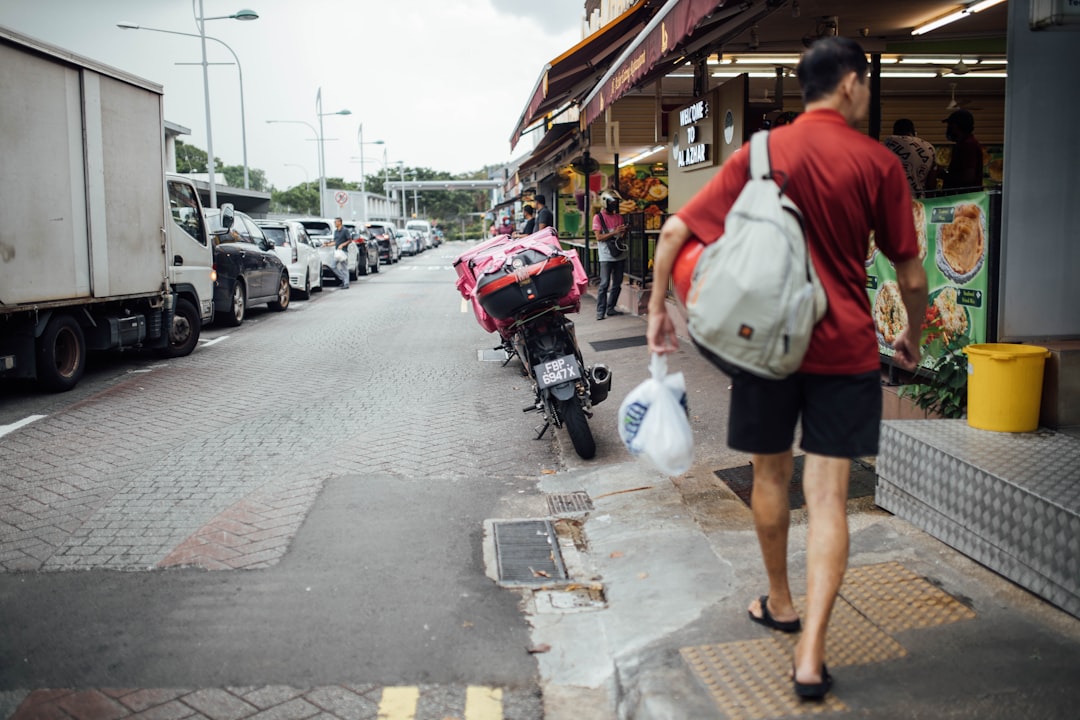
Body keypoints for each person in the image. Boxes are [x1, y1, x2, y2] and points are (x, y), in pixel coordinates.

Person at [646, 36, 927, 700]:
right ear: (852, 85)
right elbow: (911, 275)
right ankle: (810, 656)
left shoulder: (763, 152)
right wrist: (909, 335)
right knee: (828, 497)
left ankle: (779, 600)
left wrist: (659, 309)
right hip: (847, 349)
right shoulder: (878, 162)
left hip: (765, 342)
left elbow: (673, 233)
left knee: (770, 479)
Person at [593, 191, 629, 320]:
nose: (614, 204)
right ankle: (600, 311)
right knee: (604, 283)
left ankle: (611, 308)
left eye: (615, 202)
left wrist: (624, 231)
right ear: (605, 203)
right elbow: (599, 237)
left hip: (620, 254)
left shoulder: (619, 217)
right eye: (611, 202)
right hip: (606, 256)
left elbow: (621, 236)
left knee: (617, 283)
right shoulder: (598, 217)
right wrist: (614, 232)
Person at [883, 118, 939, 195]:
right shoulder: (929, 147)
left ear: (895, 132)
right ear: (913, 131)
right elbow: (931, 183)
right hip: (919, 201)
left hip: (893, 198)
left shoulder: (890, 141)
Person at [940, 109, 984, 191]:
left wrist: (943, 174)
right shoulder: (967, 143)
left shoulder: (967, 145)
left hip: (963, 198)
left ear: (956, 126)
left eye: (950, 125)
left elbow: (968, 177)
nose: (948, 129)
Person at [329, 217, 351, 289]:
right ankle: (344, 279)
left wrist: (342, 245)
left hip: (343, 251)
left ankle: (346, 283)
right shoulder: (335, 232)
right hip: (337, 252)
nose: (335, 223)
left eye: (335, 222)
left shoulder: (345, 230)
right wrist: (327, 245)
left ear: (339, 222)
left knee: (344, 267)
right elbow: (335, 242)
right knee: (333, 266)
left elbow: (349, 240)